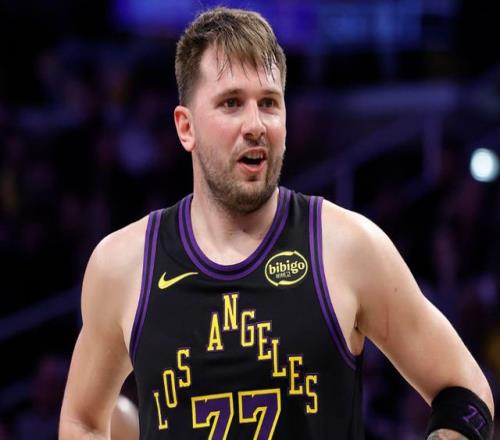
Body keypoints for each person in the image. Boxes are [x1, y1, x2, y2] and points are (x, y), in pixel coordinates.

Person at [59, 7, 494, 439]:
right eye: (231, 103)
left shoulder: (347, 246)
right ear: (186, 127)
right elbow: (81, 421)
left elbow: (467, 394)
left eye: (268, 103)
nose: (255, 125)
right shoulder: (123, 265)